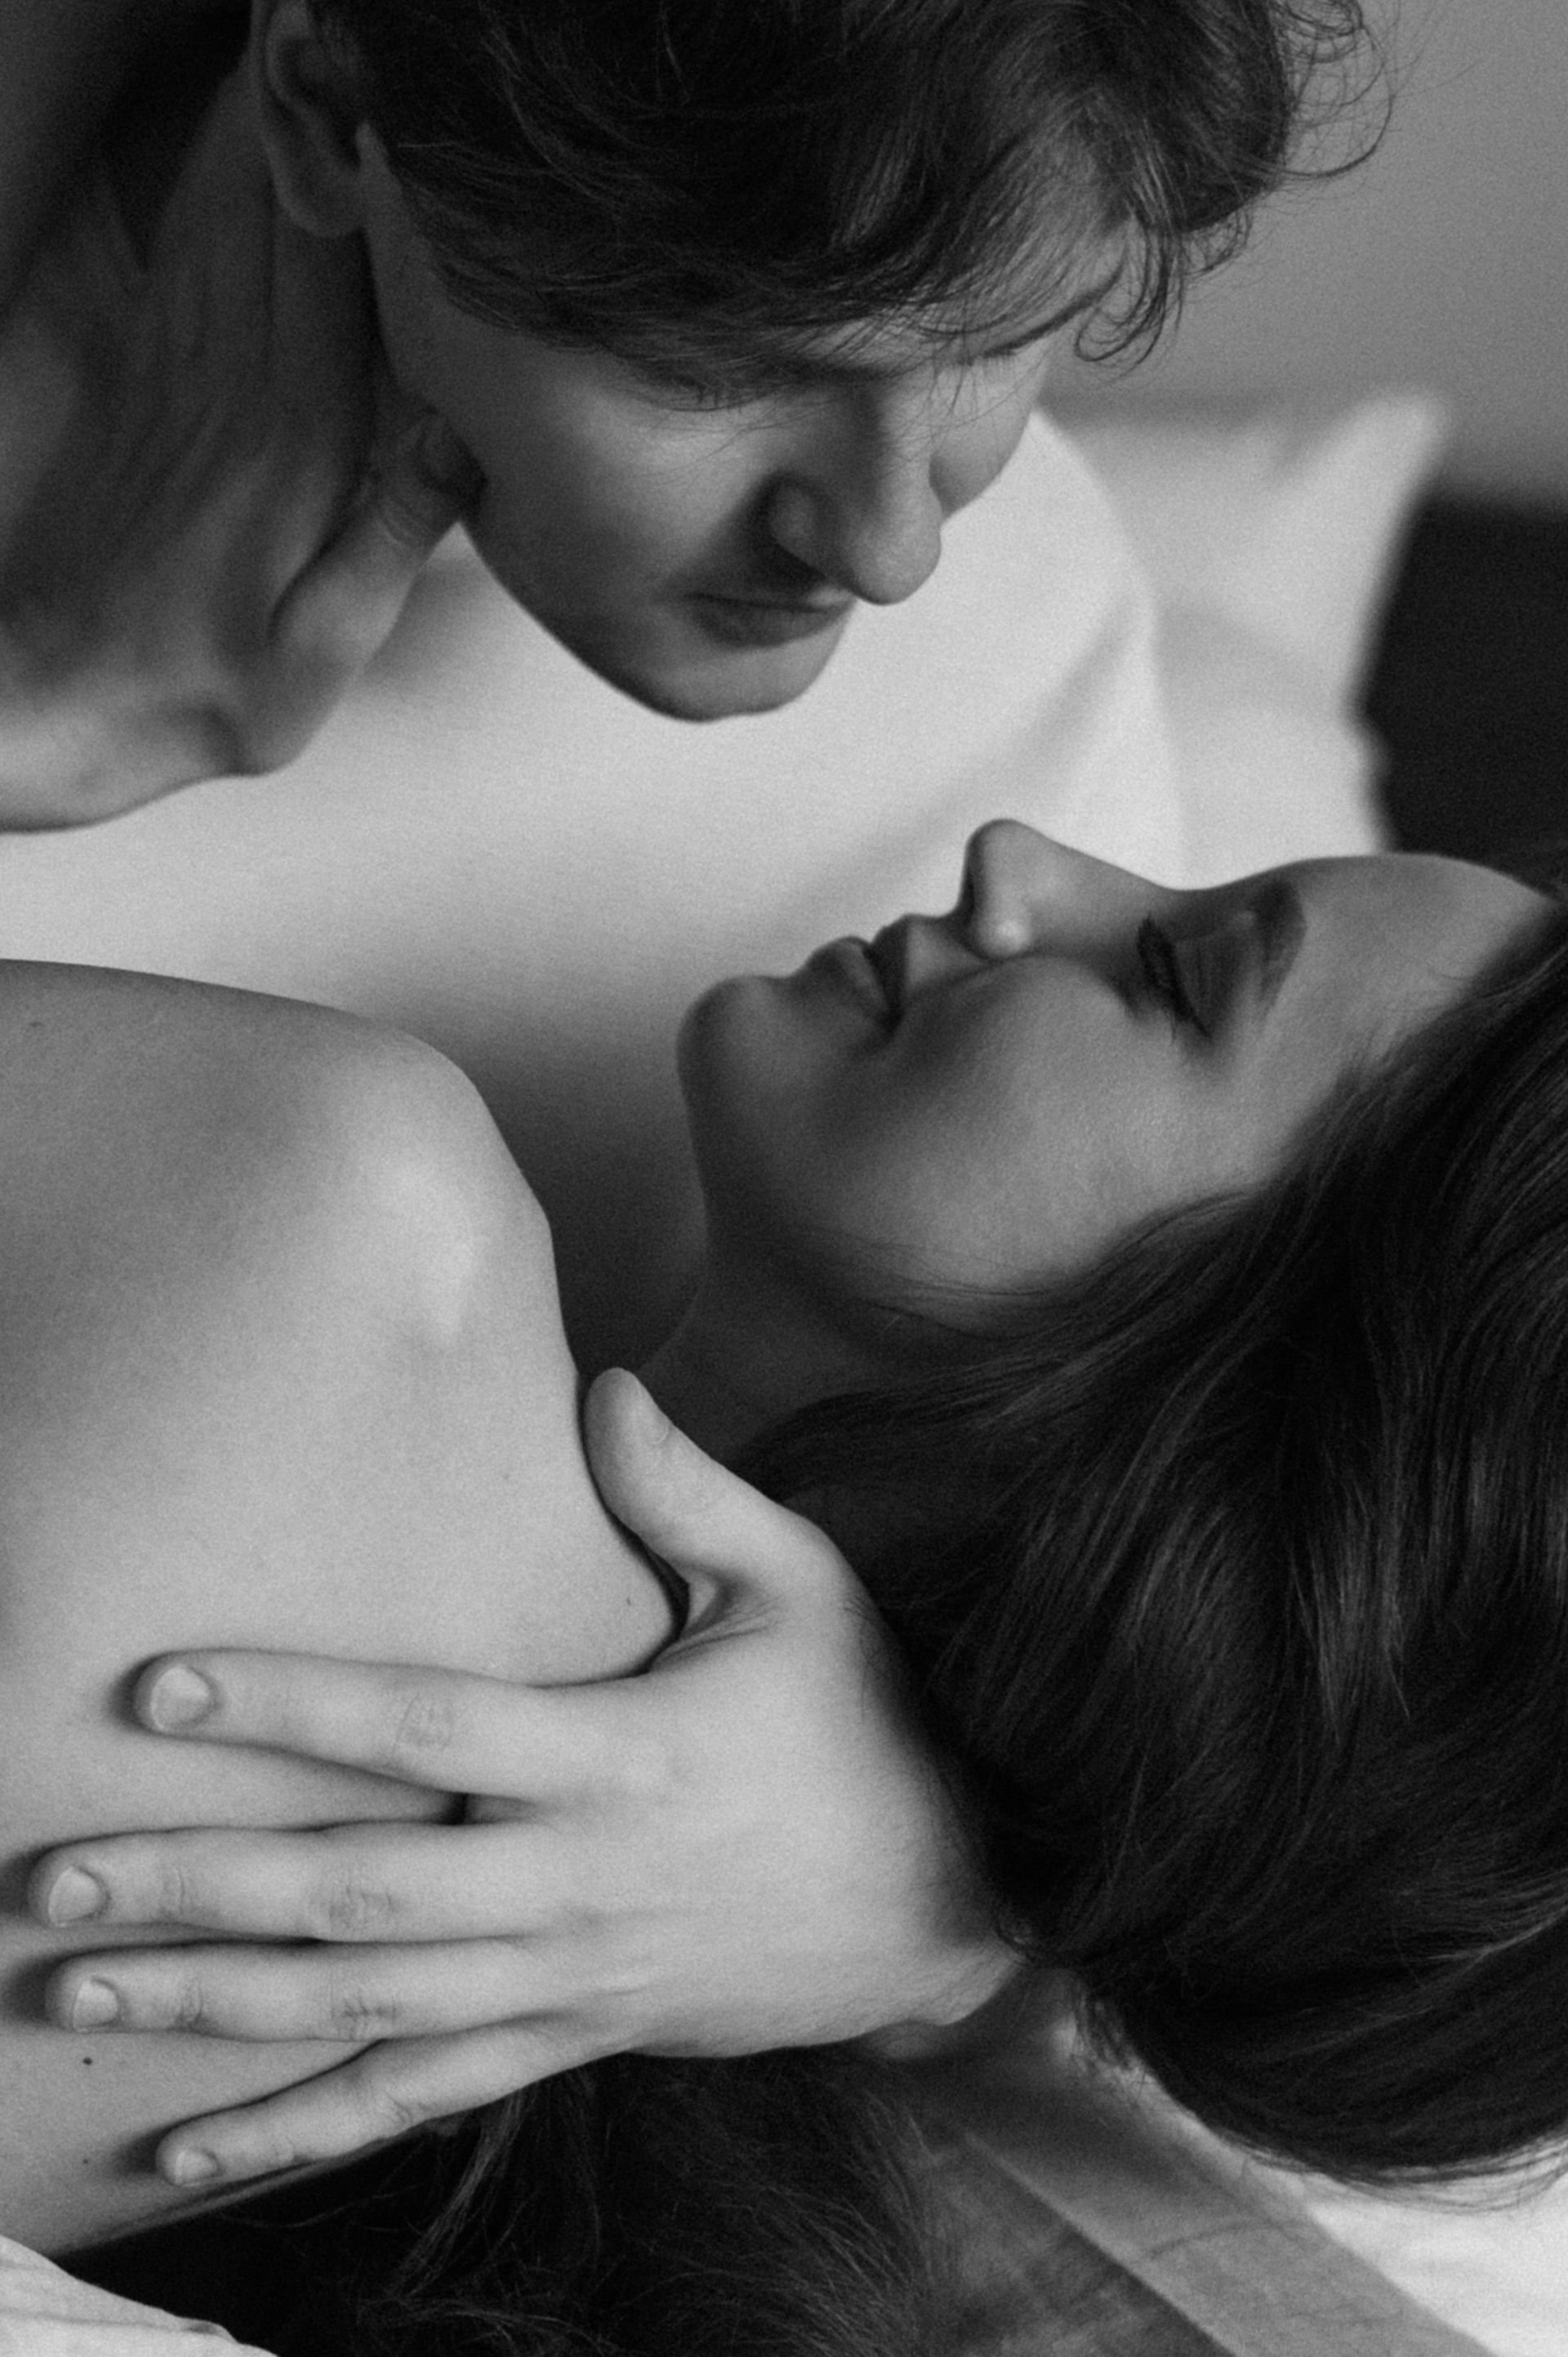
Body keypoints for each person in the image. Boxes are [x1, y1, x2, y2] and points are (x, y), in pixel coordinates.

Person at [1, 822, 1561, 2351]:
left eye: (1171, 975)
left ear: (1237, 1439)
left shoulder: (350, 1206)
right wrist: (955, 1901)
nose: (1021, 860)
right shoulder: (596, 2112)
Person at [0, 0, 1379, 820]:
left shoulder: (1036, 660)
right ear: (322, 110)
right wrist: (54, 723)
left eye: (1006, 344)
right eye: (725, 370)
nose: (891, 556)